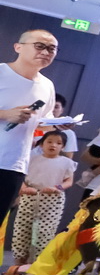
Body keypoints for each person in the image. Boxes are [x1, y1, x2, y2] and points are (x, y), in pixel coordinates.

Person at [1, 30, 58, 260]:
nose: (46, 52)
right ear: (18, 47)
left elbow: (43, 120)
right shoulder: (2, 72)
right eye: (40, 46)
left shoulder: (47, 85)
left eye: (52, 49)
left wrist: (57, 125)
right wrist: (5, 114)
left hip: (14, 164)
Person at [5, 130, 74, 275]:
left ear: (63, 147)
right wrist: (23, 188)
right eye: (49, 142)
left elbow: (69, 181)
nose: (53, 145)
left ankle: (39, 268)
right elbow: (21, 176)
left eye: (58, 143)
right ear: (42, 144)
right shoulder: (31, 158)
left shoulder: (66, 162)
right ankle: (18, 265)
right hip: (30, 196)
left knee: (44, 232)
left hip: (52, 200)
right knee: (22, 230)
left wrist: (57, 188)